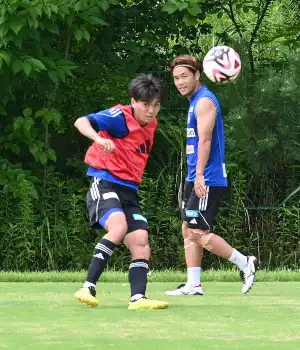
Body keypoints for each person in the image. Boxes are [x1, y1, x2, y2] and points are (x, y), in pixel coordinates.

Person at [165, 55, 258, 296]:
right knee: (188, 229)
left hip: (206, 177)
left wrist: (198, 176)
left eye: (184, 76)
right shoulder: (194, 101)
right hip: (195, 176)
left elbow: (205, 140)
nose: (180, 82)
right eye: (176, 78)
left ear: (198, 75)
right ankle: (193, 284)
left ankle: (244, 262)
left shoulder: (205, 101)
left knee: (197, 231)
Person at [74, 74, 168, 310]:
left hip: (129, 189)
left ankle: (138, 298)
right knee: (118, 227)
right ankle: (87, 287)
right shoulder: (119, 117)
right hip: (105, 181)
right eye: (145, 105)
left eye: (156, 105)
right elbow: (81, 121)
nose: (151, 111)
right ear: (133, 101)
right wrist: (98, 138)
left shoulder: (152, 123)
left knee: (141, 240)